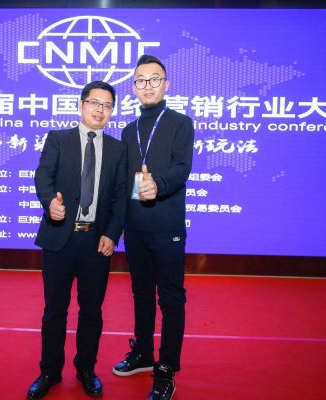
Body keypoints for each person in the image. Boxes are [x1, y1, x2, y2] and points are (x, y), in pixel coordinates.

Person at [26, 80, 127, 400]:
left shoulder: (118, 149)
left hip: (96, 242)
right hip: (60, 238)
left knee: (92, 311)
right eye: (95, 103)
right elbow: (43, 177)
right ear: (82, 105)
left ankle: (86, 369)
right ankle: (49, 371)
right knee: (54, 310)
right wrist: (49, 203)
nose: (100, 110)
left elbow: (121, 197)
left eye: (107, 105)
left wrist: (112, 233)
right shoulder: (58, 139)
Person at [112, 55, 194, 400]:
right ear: (134, 87)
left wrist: (157, 184)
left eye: (154, 79)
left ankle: (166, 370)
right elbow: (123, 182)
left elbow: (182, 169)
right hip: (135, 226)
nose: (148, 86)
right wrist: (115, 225)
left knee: (171, 298)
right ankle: (144, 352)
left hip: (166, 225)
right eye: (141, 80)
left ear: (166, 84)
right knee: (141, 293)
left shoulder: (181, 123)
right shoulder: (127, 130)